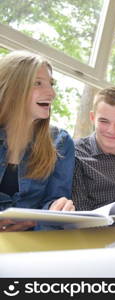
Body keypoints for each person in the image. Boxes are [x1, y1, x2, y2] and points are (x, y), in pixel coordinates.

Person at [0, 50, 75, 232]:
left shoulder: (61, 142)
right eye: (37, 83)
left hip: (29, 246)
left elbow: (53, 201)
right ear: (13, 88)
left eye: (51, 84)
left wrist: (57, 208)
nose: (52, 93)